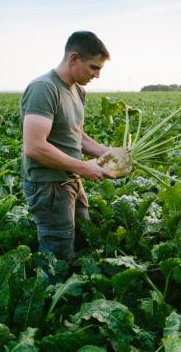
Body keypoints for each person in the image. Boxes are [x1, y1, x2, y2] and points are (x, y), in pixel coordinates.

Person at [20, 31, 131, 270]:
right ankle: (53, 299)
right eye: (93, 67)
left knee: (83, 239)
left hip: (71, 179)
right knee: (57, 255)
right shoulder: (44, 88)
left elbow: (76, 135)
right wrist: (84, 167)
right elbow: (35, 147)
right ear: (73, 58)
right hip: (49, 185)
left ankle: (80, 295)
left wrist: (110, 154)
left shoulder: (77, 90)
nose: (97, 75)